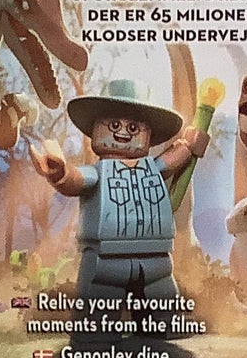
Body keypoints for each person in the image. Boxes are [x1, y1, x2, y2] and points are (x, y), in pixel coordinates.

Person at [29, 78, 208, 342]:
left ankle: (163, 324)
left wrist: (191, 145)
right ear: (96, 129)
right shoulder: (99, 172)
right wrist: (60, 173)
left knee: (160, 291)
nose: (123, 132)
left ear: (148, 133)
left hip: (156, 254)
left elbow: (172, 159)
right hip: (105, 256)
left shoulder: (152, 168)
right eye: (114, 125)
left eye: (134, 127)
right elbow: (76, 180)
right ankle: (95, 333)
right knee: (101, 295)